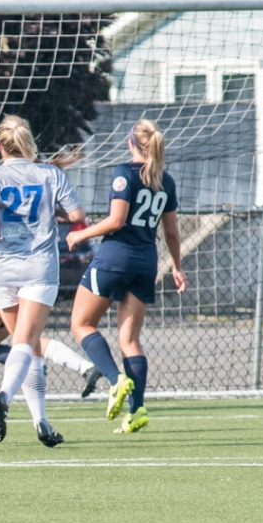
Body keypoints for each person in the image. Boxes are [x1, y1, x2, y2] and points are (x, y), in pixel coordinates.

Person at [0, 115, 86, 446]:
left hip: (3, 268)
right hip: (38, 268)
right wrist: (54, 212)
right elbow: (77, 216)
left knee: (27, 345)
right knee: (26, 342)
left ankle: (42, 424)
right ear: (28, 143)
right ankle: (4, 396)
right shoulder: (49, 173)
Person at [66, 118, 188, 433]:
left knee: (81, 323)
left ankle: (115, 380)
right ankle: (136, 411)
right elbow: (172, 233)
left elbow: (116, 221)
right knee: (130, 339)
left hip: (115, 258)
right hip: (146, 262)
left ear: (132, 143)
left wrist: (81, 234)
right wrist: (176, 266)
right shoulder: (166, 180)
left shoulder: (124, 173)